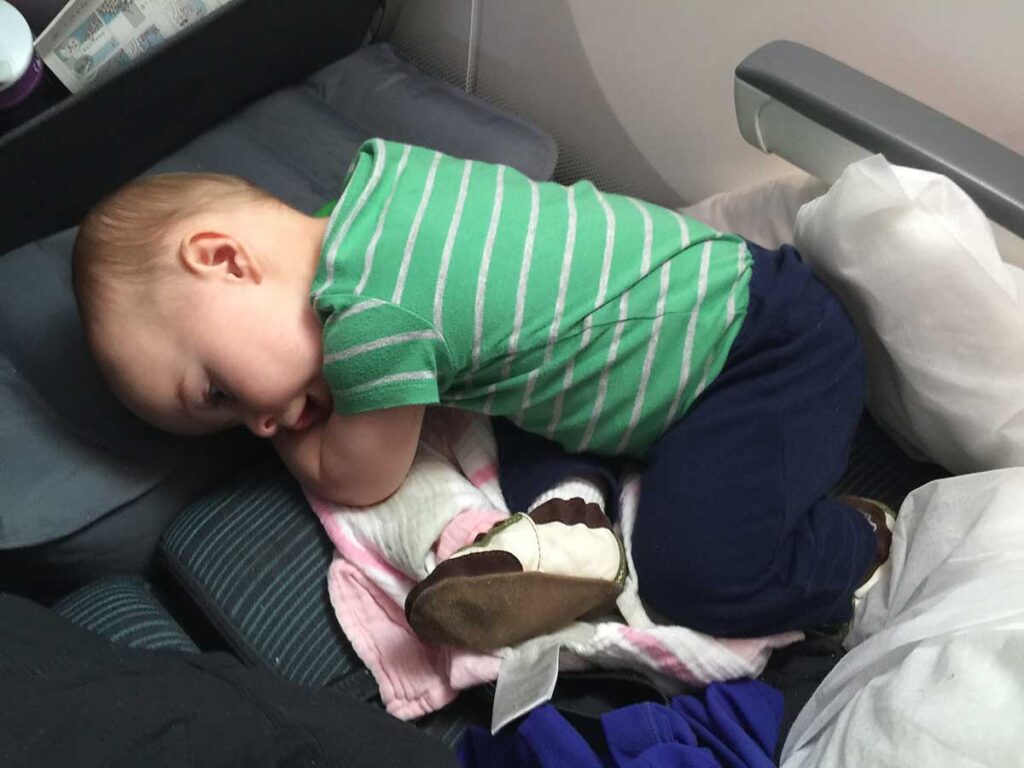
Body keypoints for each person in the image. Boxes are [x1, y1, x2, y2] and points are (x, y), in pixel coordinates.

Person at [71, 138, 890, 638]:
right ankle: (574, 532)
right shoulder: (381, 184)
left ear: (221, 258)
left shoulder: (373, 317)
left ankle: (860, 538)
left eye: (215, 391)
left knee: (692, 580)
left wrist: (291, 435)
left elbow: (360, 476)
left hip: (762, 362)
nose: (252, 424)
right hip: (715, 315)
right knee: (513, 399)